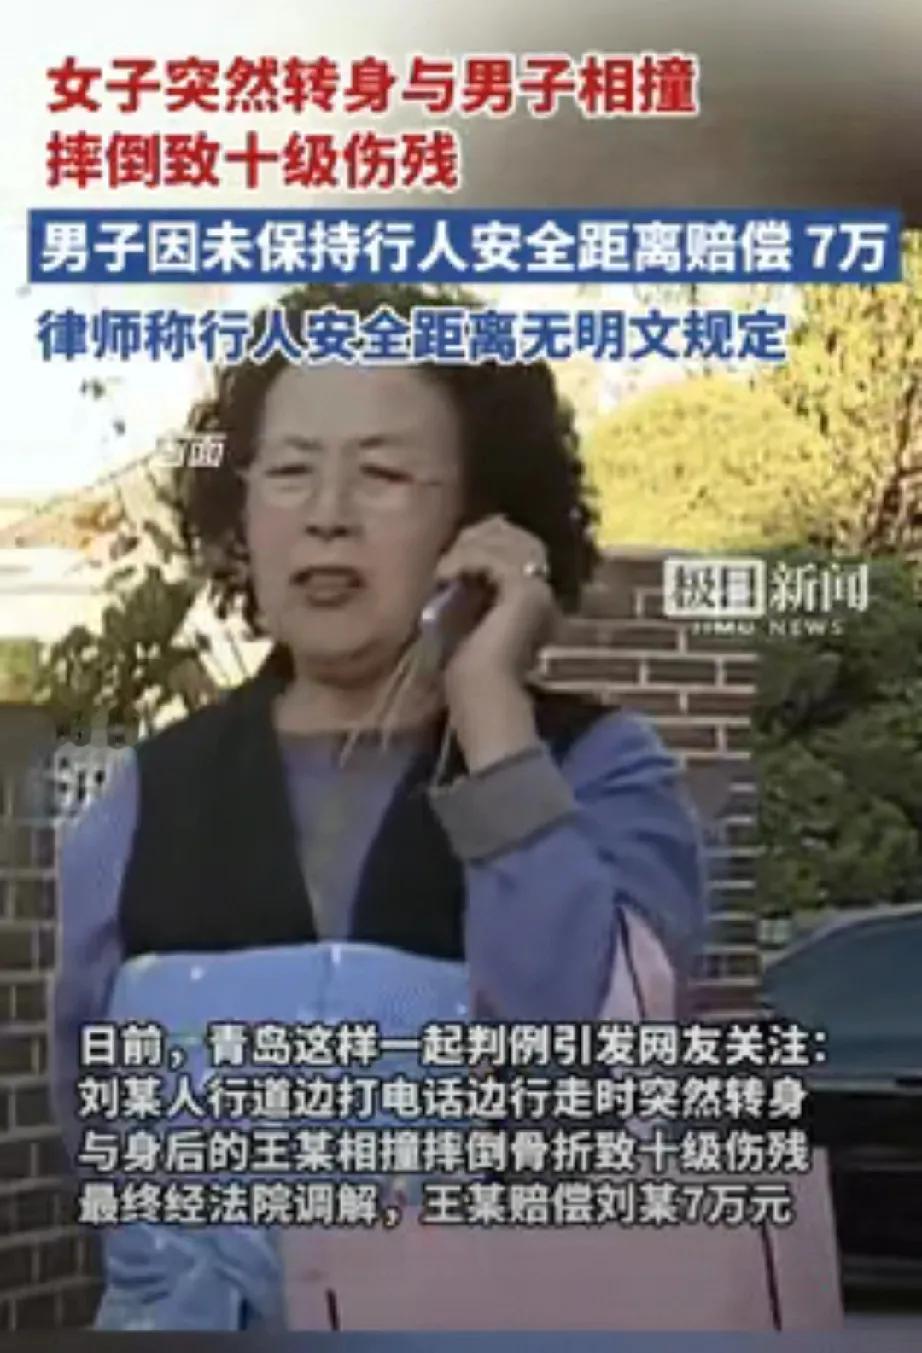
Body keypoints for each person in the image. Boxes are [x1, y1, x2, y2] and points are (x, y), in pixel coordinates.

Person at [53, 287, 709, 1330]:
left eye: (384, 473)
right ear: (241, 515)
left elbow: (600, 1093)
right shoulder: (144, 796)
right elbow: (96, 1126)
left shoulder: (599, 770)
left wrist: (489, 713)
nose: (327, 513)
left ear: (482, 523)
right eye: (290, 471)